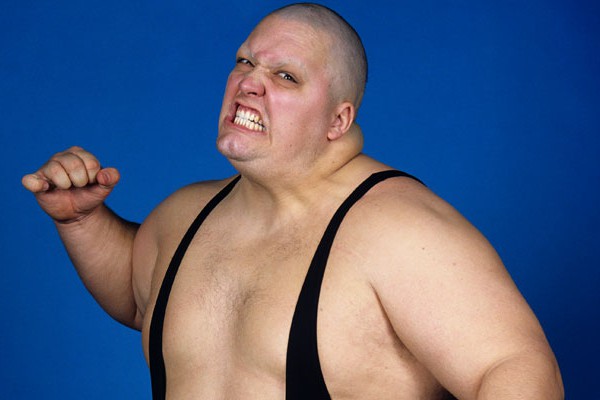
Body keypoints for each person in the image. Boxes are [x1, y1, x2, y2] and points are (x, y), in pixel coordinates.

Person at [22, 3, 563, 399]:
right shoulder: (182, 216)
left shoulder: (400, 231)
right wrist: (83, 221)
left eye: (285, 76)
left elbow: (516, 369)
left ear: (338, 120)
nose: (249, 84)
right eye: (244, 62)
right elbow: (138, 298)